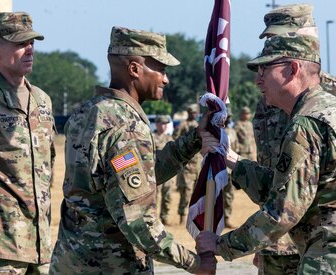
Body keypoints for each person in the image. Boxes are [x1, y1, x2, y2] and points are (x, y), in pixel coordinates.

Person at [196, 33, 336, 274]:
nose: (258, 81)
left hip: (335, 264)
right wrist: (231, 159)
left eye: (265, 70)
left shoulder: (307, 124)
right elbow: (292, 189)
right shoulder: (333, 110)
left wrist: (221, 244)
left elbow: (282, 212)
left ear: (292, 69)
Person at [49, 26, 216, 274]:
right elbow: (137, 220)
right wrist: (194, 263)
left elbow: (137, 177)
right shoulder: (126, 127)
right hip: (111, 265)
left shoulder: (87, 113)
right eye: (160, 69)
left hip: (70, 260)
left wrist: (193, 140)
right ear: (135, 69)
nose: (166, 78)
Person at [251, 4, 336, 274]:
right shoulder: (268, 102)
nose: (274, 45)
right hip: (278, 240)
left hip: (328, 241)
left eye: (282, 37)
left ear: (308, 38)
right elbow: (271, 171)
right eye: (270, 39)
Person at [0, 12, 55, 275]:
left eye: (32, 42)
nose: (29, 48)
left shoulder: (42, 101)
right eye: (20, 43)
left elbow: (47, 169)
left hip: (39, 249)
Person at [172, 103, 203, 225]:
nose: (195, 114)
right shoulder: (183, 125)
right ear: (189, 112)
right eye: (193, 112)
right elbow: (175, 139)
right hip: (187, 166)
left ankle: (194, 218)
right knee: (186, 193)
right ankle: (182, 217)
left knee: (198, 193)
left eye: (196, 112)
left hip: (198, 165)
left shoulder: (199, 125)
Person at [153, 115, 174, 225]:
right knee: (153, 198)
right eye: (162, 123)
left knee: (168, 196)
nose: (164, 126)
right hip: (154, 173)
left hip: (168, 172)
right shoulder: (151, 137)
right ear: (156, 124)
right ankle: (153, 219)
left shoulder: (169, 138)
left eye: (166, 124)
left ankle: (164, 217)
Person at [223, 108, 237, 228]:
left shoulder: (232, 132)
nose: (228, 119)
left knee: (228, 195)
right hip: (217, 168)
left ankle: (226, 218)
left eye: (229, 117)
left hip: (230, 168)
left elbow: (237, 149)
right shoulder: (215, 131)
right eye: (226, 117)